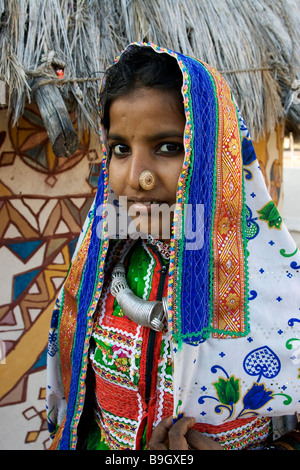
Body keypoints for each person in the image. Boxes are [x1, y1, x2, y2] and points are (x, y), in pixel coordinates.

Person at [46, 43, 300, 451]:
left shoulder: (277, 285)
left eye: (168, 147)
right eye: (120, 149)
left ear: (215, 152)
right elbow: (79, 418)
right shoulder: (94, 270)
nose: (136, 177)